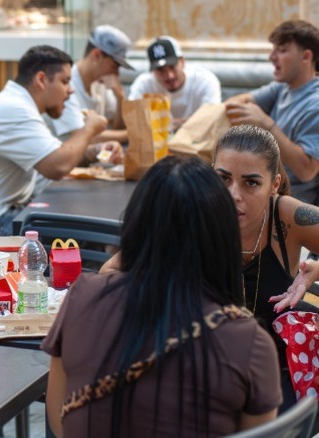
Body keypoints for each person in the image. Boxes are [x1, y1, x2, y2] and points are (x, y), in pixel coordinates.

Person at [43, 155, 281, 437]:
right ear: (224, 236)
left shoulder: (82, 297)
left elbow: (59, 420)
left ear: (135, 225)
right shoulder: (250, 343)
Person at [0, 45, 119, 236]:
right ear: (41, 80)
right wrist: (88, 129)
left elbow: (57, 154)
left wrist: (98, 151)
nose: (70, 90)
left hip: (5, 212)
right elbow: (57, 166)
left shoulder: (18, 104)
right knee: (89, 233)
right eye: (65, 81)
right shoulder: (15, 110)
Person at [213, 124, 319, 411]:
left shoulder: (287, 215)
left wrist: (317, 269)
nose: (233, 193)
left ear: (274, 184)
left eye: (251, 182)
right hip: (213, 366)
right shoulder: (195, 215)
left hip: (285, 368)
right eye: (222, 178)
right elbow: (114, 270)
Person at [226, 20, 319, 204]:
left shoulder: (315, 103)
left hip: (291, 204)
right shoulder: (282, 87)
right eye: (273, 49)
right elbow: (234, 103)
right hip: (264, 189)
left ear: (306, 57)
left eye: (282, 50)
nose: (271, 56)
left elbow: (307, 171)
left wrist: (266, 124)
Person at [47, 25, 133, 144]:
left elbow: (116, 126)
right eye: (114, 66)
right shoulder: (66, 85)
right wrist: (132, 133)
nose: (116, 73)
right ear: (96, 55)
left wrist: (120, 97)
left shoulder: (99, 84)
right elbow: (82, 137)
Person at [128, 36, 221, 130]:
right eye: (160, 70)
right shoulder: (143, 85)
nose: (169, 76)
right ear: (152, 71)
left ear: (183, 61)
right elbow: (133, 121)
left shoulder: (205, 81)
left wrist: (165, 125)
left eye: (172, 66)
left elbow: (212, 120)